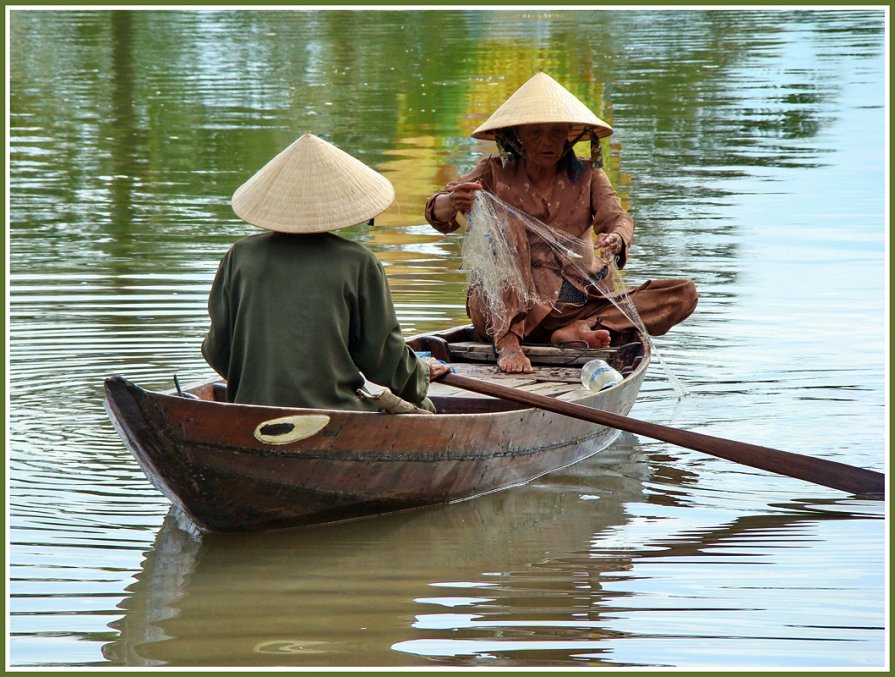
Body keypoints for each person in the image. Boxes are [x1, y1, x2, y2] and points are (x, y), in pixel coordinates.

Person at [425, 72, 697, 374]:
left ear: (570, 134)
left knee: (682, 293)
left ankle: (583, 328)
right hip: (502, 310)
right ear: (517, 136)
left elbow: (618, 218)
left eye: (557, 132)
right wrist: (453, 203)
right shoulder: (494, 171)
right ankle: (509, 342)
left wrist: (616, 238)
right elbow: (438, 207)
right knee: (507, 223)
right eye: (536, 133)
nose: (548, 141)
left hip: (577, 303)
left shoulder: (588, 175)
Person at [202, 133, 450, 411]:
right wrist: (422, 374)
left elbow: (217, 350)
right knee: (426, 408)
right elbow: (383, 360)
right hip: (336, 412)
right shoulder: (358, 262)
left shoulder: (240, 256)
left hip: (249, 409)